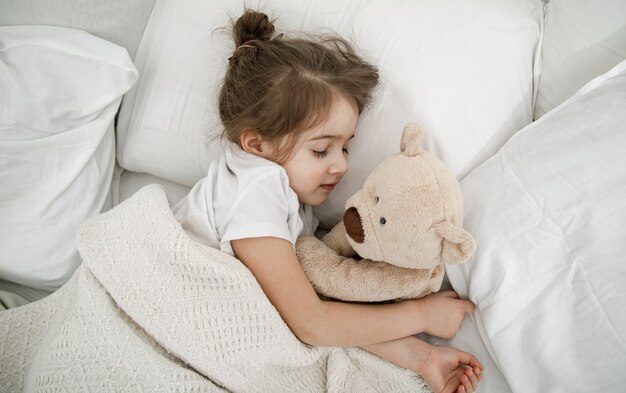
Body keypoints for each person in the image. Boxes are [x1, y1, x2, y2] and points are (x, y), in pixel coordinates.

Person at [174, 9, 484, 393]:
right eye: (321, 151)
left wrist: (422, 357)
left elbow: (301, 305)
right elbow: (312, 323)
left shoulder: (284, 194)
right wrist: (421, 314)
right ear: (257, 144)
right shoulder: (256, 189)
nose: (341, 165)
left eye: (346, 147)